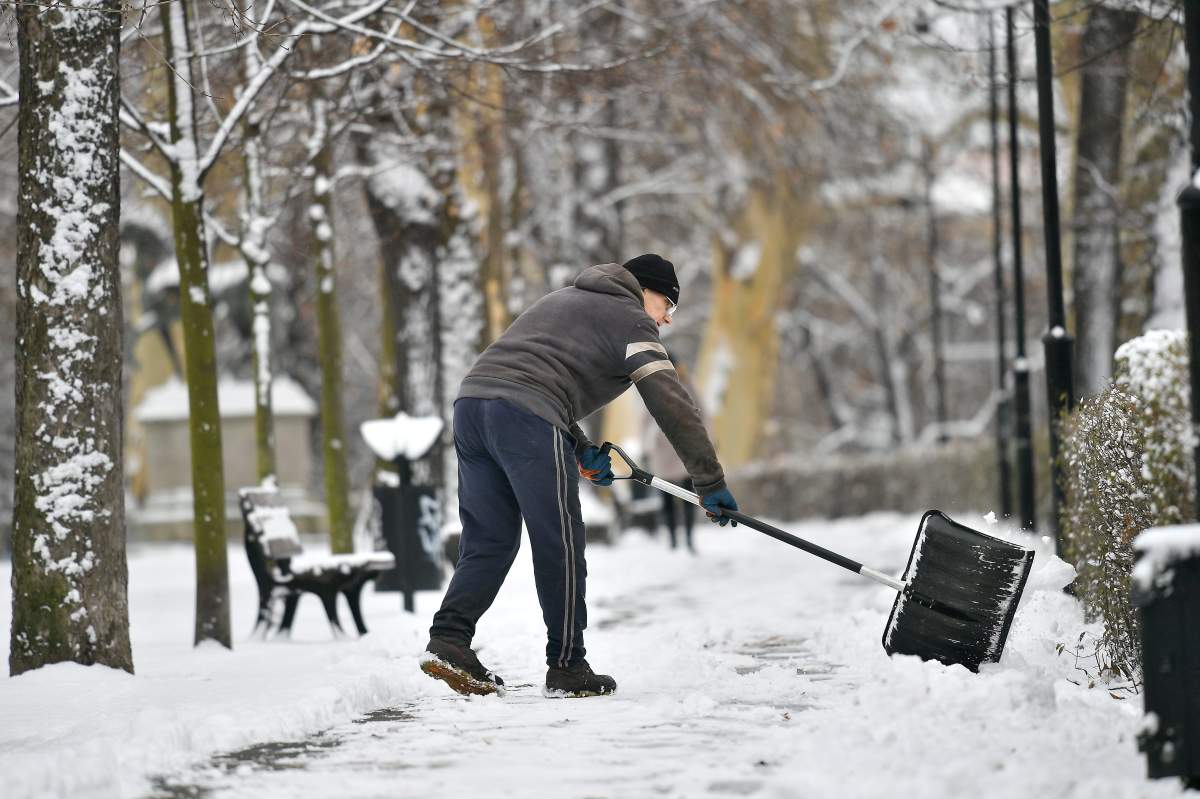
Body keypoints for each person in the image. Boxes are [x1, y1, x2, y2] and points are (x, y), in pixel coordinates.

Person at [420, 254, 738, 698]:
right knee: (561, 540)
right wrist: (709, 480)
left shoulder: (562, 299)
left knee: (489, 540)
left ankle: (449, 638)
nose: (667, 318)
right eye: (668, 304)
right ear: (644, 290)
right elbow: (671, 403)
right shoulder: (631, 319)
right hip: (526, 415)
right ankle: (568, 664)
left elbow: (535, 374)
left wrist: (581, 446)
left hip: (472, 407)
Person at [643, 358, 701, 553]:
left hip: (685, 447)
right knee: (667, 496)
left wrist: (705, 441)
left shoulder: (687, 385)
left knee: (690, 496)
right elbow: (645, 419)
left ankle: (688, 539)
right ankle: (674, 541)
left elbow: (702, 412)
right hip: (664, 448)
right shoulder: (653, 386)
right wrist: (646, 447)